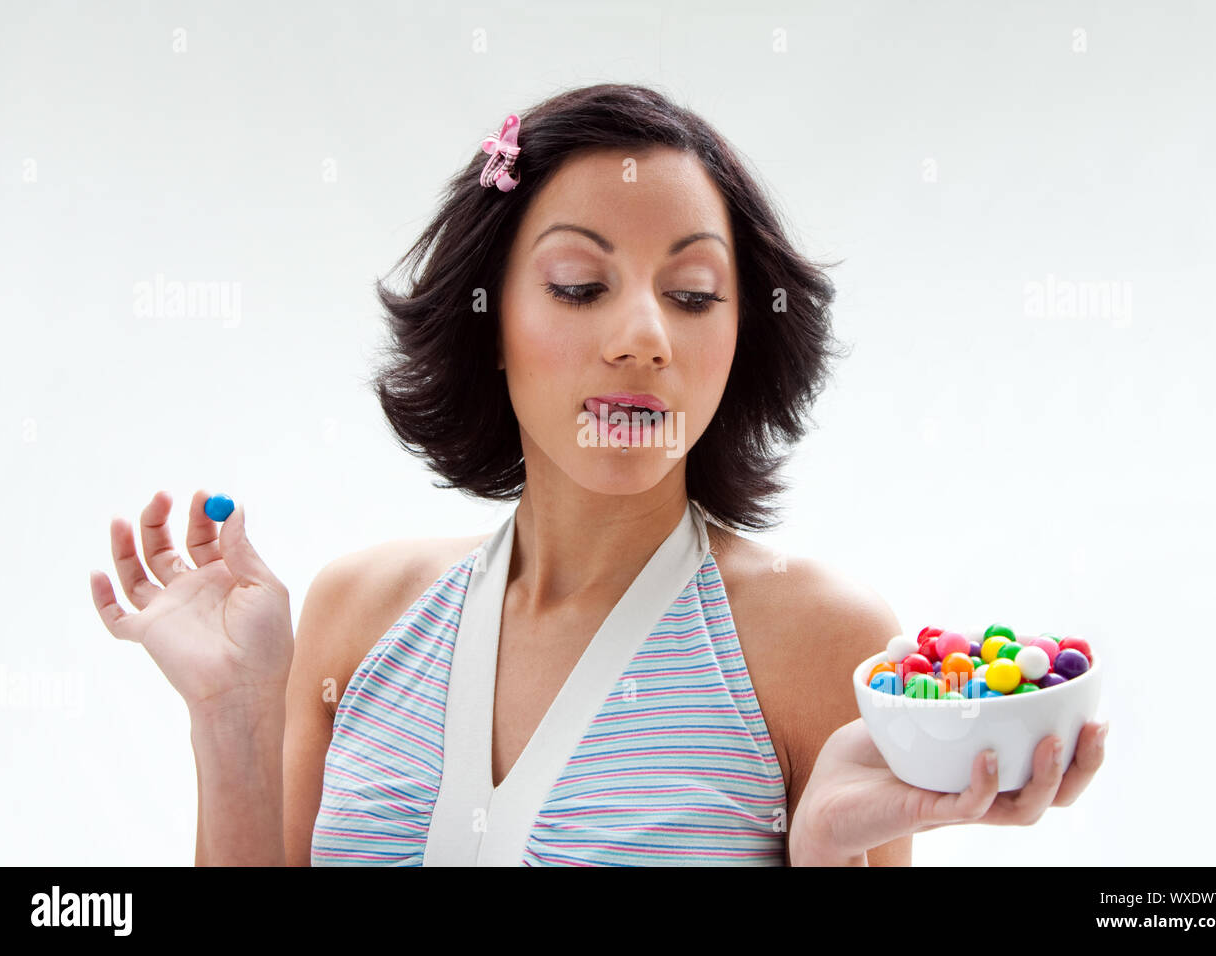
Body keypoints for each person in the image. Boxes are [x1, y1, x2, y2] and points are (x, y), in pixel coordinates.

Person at [88, 83, 1106, 866]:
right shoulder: (356, 615)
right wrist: (233, 718)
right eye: (580, 285)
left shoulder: (816, 642)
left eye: (693, 294)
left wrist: (824, 854)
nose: (642, 336)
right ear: (490, 322)